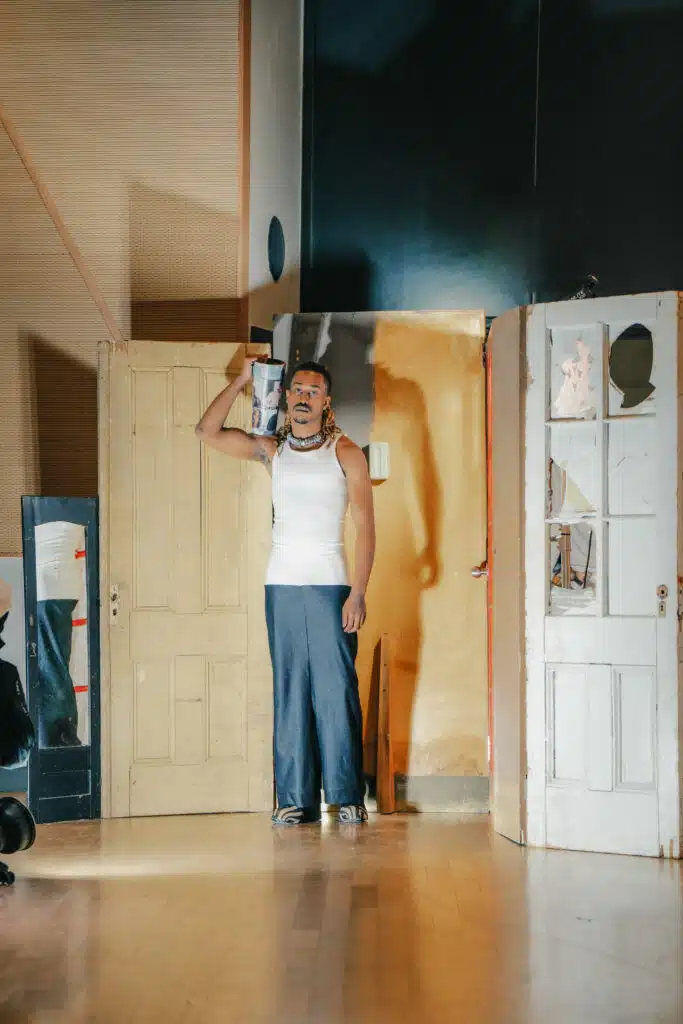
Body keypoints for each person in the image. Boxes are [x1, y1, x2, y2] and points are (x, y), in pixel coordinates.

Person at [195, 357, 375, 825]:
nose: (303, 397)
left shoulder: (346, 451)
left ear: (326, 401)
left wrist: (358, 592)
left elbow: (366, 528)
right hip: (281, 583)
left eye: (313, 391)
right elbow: (207, 432)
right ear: (286, 395)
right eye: (296, 389)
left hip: (331, 583)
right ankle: (296, 799)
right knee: (290, 689)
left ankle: (347, 795)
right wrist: (240, 381)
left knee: (336, 692)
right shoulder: (272, 450)